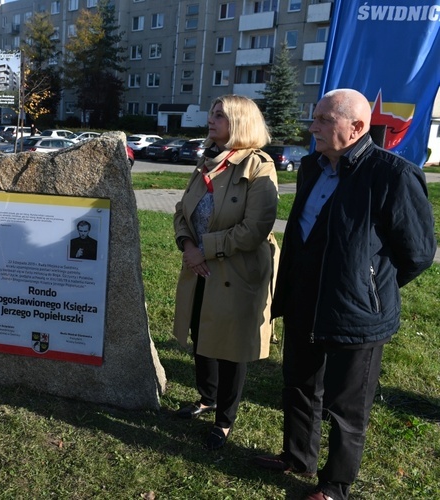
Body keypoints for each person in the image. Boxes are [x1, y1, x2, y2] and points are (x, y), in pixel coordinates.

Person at [253, 89, 436, 500]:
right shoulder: (312, 166)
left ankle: (335, 485)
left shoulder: (393, 175)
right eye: (314, 118)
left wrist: (368, 285)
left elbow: (418, 254)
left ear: (356, 128)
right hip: (304, 299)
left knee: (347, 407)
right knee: (299, 385)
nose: (311, 127)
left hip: (357, 313)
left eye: (322, 120)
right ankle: (297, 457)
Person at [172, 94, 279, 450]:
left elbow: (256, 228)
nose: (210, 120)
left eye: (219, 115)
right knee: (202, 332)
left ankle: (225, 420)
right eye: (211, 113)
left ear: (240, 122)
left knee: (231, 346)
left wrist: (207, 249)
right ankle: (206, 398)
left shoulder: (258, 166)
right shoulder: (206, 162)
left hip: (237, 270)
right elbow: (180, 211)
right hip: (199, 265)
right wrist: (188, 247)